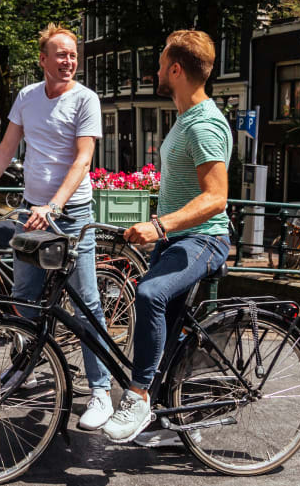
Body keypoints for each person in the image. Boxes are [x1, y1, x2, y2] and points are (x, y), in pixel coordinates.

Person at [0, 22, 115, 430]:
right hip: (33, 211)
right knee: (24, 297)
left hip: (72, 214)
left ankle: (100, 392)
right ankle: (21, 370)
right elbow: (6, 148)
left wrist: (54, 205)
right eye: (60, 54)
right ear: (43, 59)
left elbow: (83, 160)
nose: (68, 61)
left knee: (87, 301)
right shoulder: (27, 97)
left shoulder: (86, 99)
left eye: (72, 55)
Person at [100, 30, 232, 445]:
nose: (155, 71)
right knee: (164, 325)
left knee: (149, 294)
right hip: (176, 240)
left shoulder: (205, 124)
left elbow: (216, 198)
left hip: (203, 240)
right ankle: (166, 417)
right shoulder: (185, 121)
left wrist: (158, 226)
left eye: (160, 64)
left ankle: (138, 398)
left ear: (176, 69)